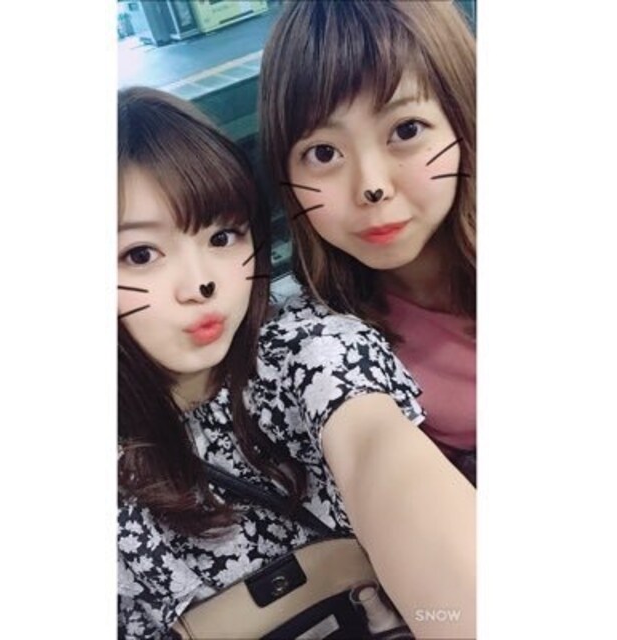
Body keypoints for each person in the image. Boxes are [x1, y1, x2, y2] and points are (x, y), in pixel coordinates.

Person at [118, 87, 475, 640]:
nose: (201, 283)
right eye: (141, 254)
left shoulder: (306, 350)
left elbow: (375, 445)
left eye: (222, 236)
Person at [259, 0, 477, 485]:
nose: (371, 187)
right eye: (323, 153)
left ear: (464, 118)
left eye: (406, 130)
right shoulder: (326, 339)